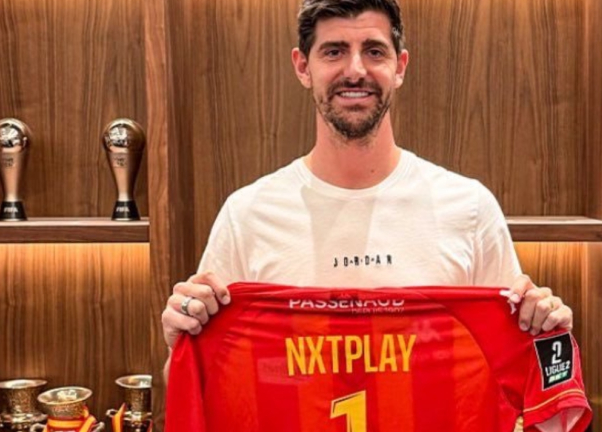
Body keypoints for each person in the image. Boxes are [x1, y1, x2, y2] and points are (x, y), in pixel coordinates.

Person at [161, 0, 574, 378]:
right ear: (302, 67)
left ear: (400, 66)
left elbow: (514, 378)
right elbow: (198, 389)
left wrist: (546, 336)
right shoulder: (248, 215)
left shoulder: (469, 208)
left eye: (374, 51)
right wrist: (180, 344)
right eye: (334, 51)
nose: (355, 70)